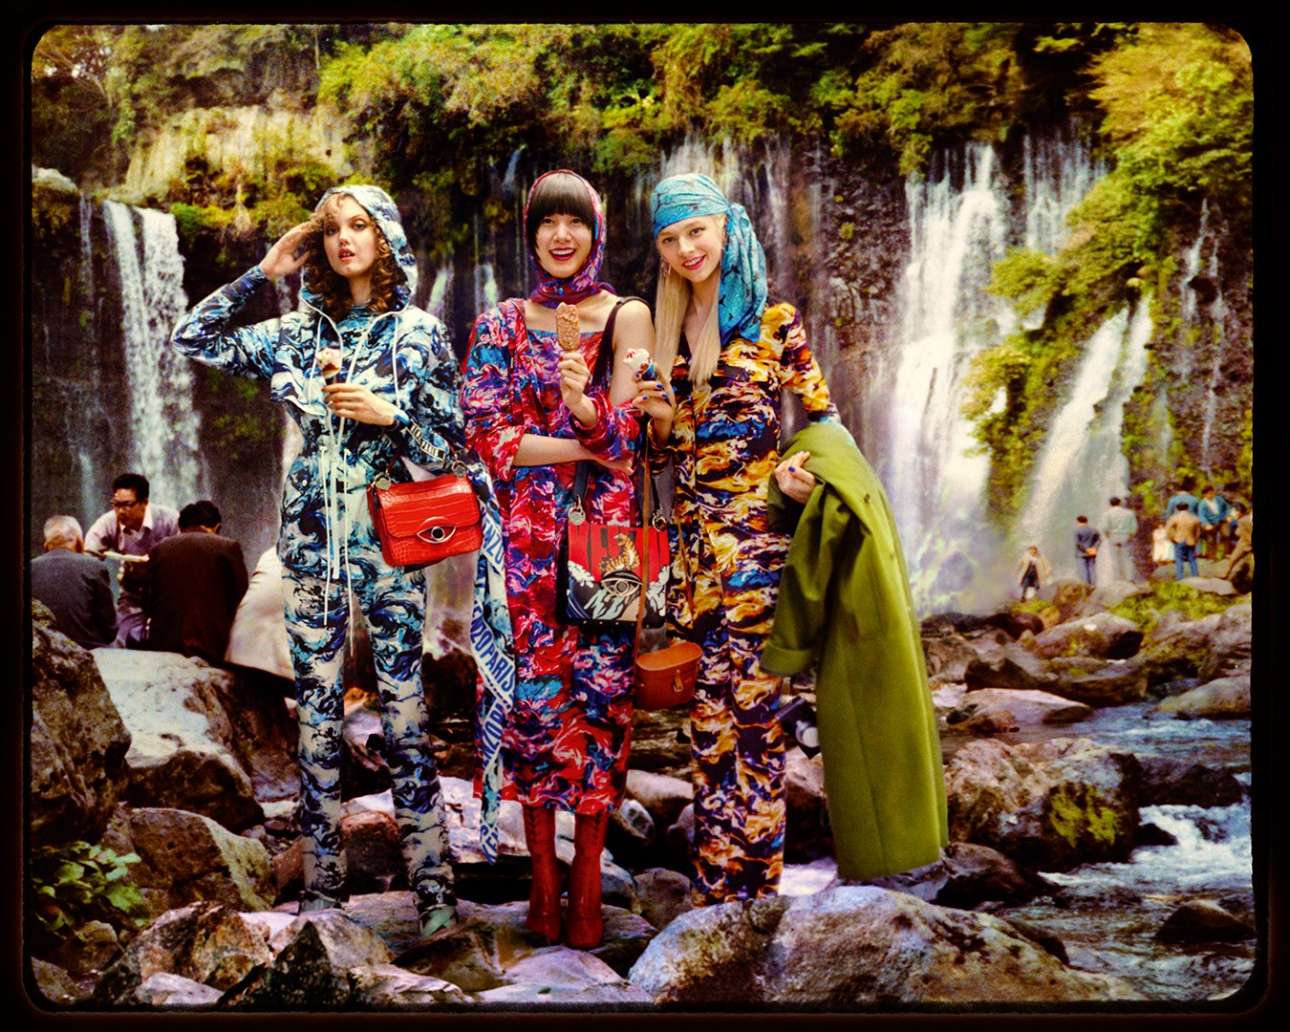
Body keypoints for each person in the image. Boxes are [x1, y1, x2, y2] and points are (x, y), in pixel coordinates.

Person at [170, 183, 514, 939]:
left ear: (385, 237)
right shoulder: (297, 332)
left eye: (359, 226)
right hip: (311, 538)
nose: (343, 239)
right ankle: (322, 894)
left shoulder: (419, 334)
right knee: (317, 718)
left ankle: (433, 895)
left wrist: (391, 415)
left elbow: (453, 451)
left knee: (406, 715)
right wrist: (264, 272)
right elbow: (193, 338)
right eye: (330, 230)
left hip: (393, 539)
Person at [635, 171, 839, 907]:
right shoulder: (661, 336)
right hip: (693, 569)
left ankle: (757, 896)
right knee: (707, 730)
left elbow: (824, 423)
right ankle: (712, 890)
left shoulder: (774, 321)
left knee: (757, 726)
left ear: (726, 227)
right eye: (669, 239)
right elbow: (659, 463)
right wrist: (660, 424)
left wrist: (801, 476)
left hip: (757, 560)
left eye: (696, 231)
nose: (686, 249)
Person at [461, 169, 649, 949]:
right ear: (531, 233)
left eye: (575, 222)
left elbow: (634, 433)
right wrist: (583, 442)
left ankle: (588, 889)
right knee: (534, 707)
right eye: (547, 222)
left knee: (603, 701)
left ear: (596, 231)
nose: (561, 236)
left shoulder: (628, 316)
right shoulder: (501, 324)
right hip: (525, 545)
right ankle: (542, 886)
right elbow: (485, 436)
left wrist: (582, 410)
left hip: (609, 542)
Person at [142, 500, 249, 664]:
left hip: (165, 647)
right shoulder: (228, 547)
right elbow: (242, 600)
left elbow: (146, 602)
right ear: (218, 527)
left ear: (180, 528)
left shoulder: (159, 549)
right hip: (213, 649)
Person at [84, 472, 180, 647]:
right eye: (116, 505)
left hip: (169, 595)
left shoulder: (171, 520)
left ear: (144, 502)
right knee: (120, 640)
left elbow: (188, 558)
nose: (120, 511)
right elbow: (87, 561)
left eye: (127, 505)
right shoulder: (107, 523)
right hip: (132, 595)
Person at [30, 515, 117, 650]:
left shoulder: (29, 568)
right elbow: (109, 629)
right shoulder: (94, 566)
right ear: (79, 541)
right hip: (86, 650)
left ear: (46, 543)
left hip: (42, 650)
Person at [1098, 496, 1139, 582]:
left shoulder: (1107, 514)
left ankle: (1118, 578)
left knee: (1114, 558)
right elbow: (1134, 527)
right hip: (1125, 535)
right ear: (1120, 503)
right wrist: (1130, 536)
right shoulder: (1129, 513)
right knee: (1127, 557)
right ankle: (1129, 577)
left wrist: (1108, 536)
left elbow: (1105, 528)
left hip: (1113, 536)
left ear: (1110, 504)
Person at [1165, 501, 1201, 580]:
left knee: (1179, 559)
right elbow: (1198, 532)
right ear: (1187, 508)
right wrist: (1196, 540)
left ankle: (1180, 577)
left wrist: (1171, 538)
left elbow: (1168, 529)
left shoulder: (1174, 517)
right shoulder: (1194, 518)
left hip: (1178, 539)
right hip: (1191, 540)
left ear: (1177, 509)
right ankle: (1195, 575)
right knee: (1192, 559)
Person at [1196, 484, 1228, 560]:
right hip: (1210, 523)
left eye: (1212, 493)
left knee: (1226, 535)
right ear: (1204, 495)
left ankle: (1226, 554)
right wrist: (1206, 524)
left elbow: (1226, 507)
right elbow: (1201, 516)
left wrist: (1227, 515)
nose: (1211, 495)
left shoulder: (1219, 499)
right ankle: (1212, 556)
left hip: (1221, 521)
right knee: (1211, 540)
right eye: (1208, 494)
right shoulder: (1202, 504)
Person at [1222, 502, 1252, 581]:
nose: (1233, 513)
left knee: (1233, 559)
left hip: (1245, 544)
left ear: (1239, 511)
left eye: (1234, 511)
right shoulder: (1246, 518)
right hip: (1245, 542)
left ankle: (1226, 574)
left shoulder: (1242, 521)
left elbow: (1245, 535)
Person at [1073, 515, 1100, 585]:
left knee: (1083, 570)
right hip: (1092, 553)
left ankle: (1086, 585)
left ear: (1078, 522)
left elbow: (1077, 544)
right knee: (1092, 569)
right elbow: (1099, 540)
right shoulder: (1094, 530)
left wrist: (1085, 550)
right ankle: (1093, 585)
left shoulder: (1077, 531)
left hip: (1081, 554)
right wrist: (1095, 548)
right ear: (1086, 521)